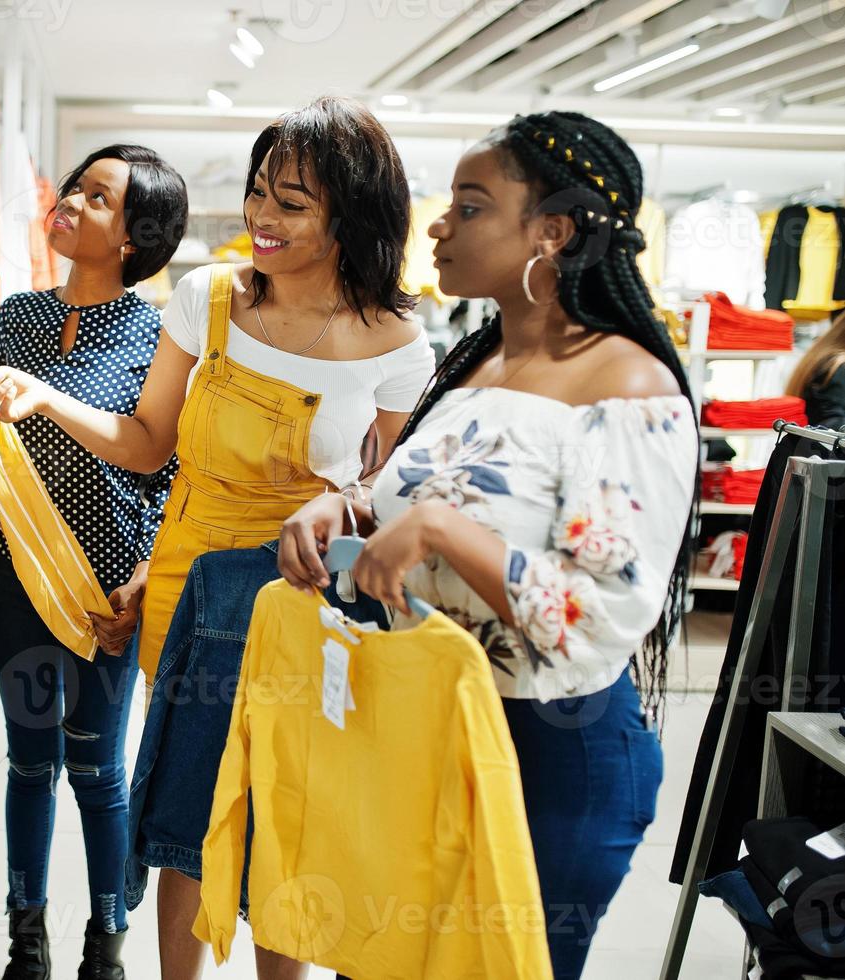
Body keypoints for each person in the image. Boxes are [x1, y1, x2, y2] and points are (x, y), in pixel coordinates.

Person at [0, 96, 435, 980]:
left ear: (352, 217)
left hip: (303, 595)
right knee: (186, 808)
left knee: (285, 814)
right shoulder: (207, 301)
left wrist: (355, 503)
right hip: (184, 589)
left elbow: (387, 495)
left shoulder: (397, 346)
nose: (261, 216)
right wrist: (46, 400)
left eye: (290, 203)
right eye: (259, 192)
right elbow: (149, 445)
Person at [280, 111, 699, 980]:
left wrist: (438, 531)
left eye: (470, 207)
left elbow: (595, 615)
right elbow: (435, 488)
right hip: (418, 722)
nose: (437, 224)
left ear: (552, 230)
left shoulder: (625, 386)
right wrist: (349, 509)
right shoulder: (479, 363)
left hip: (544, 749)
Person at [0, 144, 186, 980]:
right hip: (21, 581)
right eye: (74, 186)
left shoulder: (160, 337)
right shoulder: (21, 318)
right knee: (28, 765)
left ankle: (104, 950)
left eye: (96, 197)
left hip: (107, 590)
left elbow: (170, 466)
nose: (69, 200)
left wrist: (145, 580)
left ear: (135, 237)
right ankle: (23, 945)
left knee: (96, 771)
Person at [785, 310, 845, 428]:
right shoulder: (838, 366)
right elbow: (834, 426)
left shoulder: (821, 358)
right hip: (820, 442)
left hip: (805, 441)